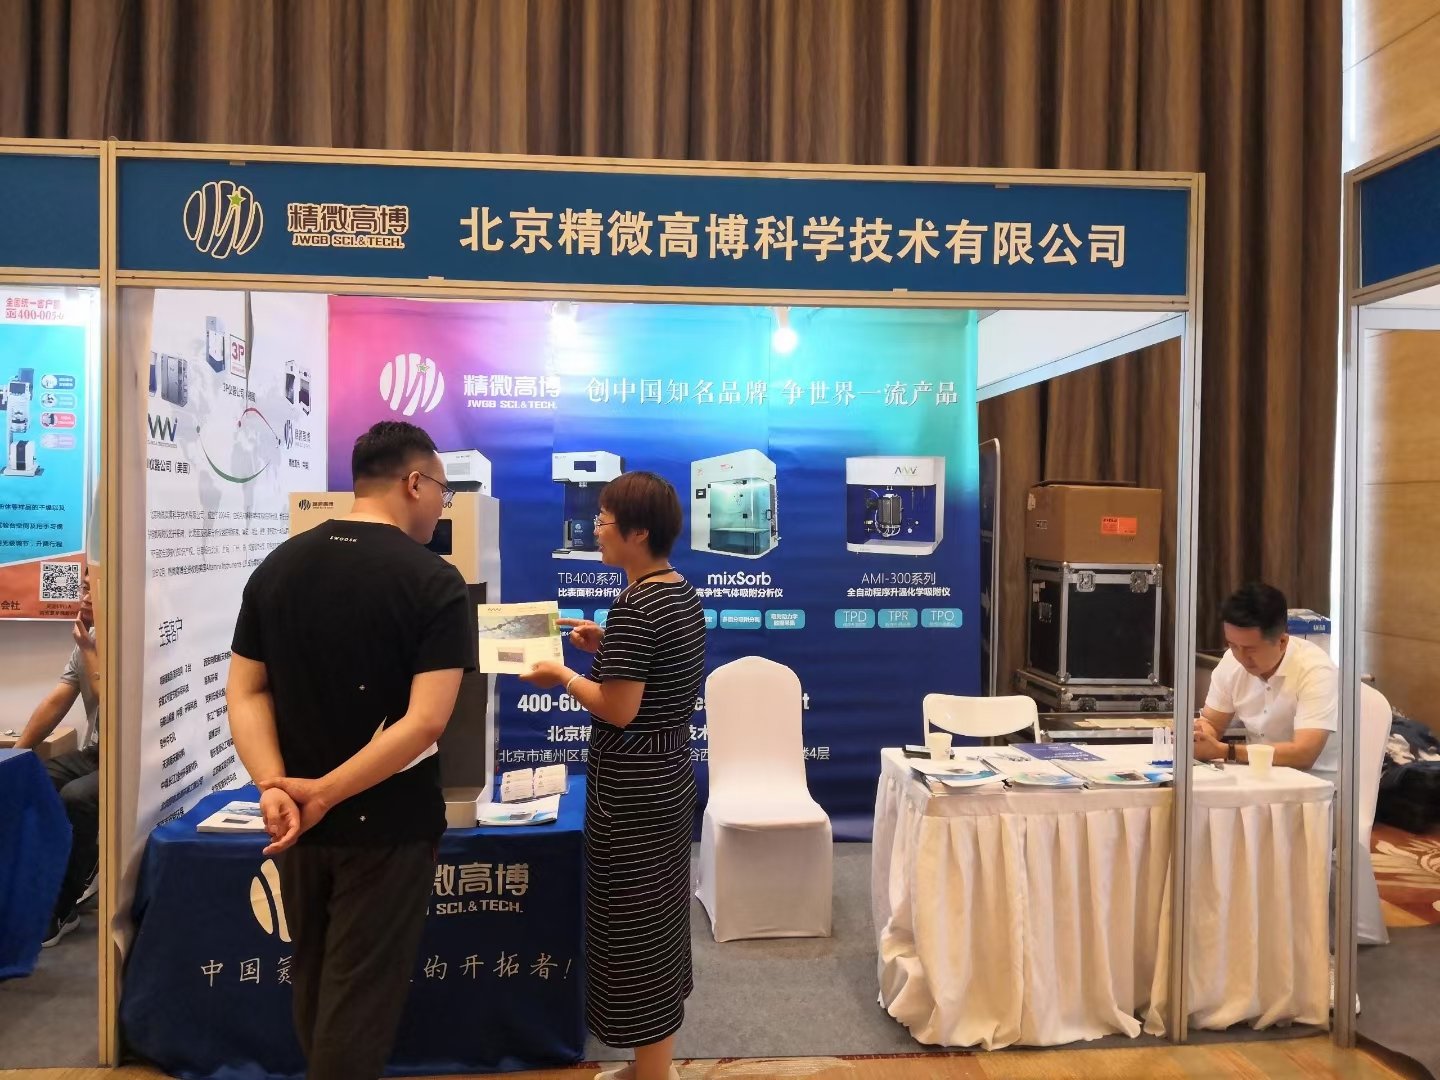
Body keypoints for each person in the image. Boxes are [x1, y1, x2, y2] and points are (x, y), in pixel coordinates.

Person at [227, 420, 474, 1080]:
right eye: (443, 491)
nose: (442, 505)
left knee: (314, 980)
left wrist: (275, 786)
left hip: (297, 824)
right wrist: (323, 793)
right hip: (387, 827)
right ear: (414, 482)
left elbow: (245, 691)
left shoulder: (279, 566)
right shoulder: (433, 581)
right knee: (360, 1001)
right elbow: (426, 723)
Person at [522, 471, 706, 1080]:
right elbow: (654, 680)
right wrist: (604, 645)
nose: (595, 530)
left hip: (632, 791)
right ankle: (653, 1066)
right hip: (668, 777)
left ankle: (651, 1073)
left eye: (603, 521)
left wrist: (562, 675)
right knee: (658, 919)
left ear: (638, 531)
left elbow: (619, 708)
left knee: (632, 926)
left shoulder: (636, 604)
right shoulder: (677, 592)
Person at [15, 563, 101, 947]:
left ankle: (63, 906)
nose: (85, 596)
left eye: (93, 589)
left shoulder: (136, 640)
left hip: (133, 761)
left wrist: (90, 651)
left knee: (77, 798)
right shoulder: (89, 638)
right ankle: (32, 895)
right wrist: (17, 756)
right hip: (97, 752)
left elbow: (112, 700)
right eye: (83, 587)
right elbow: (57, 701)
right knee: (37, 780)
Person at [1192, 582, 1339, 782]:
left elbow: (1304, 753)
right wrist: (1201, 735)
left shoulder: (1315, 670)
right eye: (1233, 645)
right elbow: (1212, 722)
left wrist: (1226, 751)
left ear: (1282, 642)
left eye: (1250, 649)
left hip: (1314, 784)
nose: (1241, 657)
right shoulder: (1231, 663)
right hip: (1257, 777)